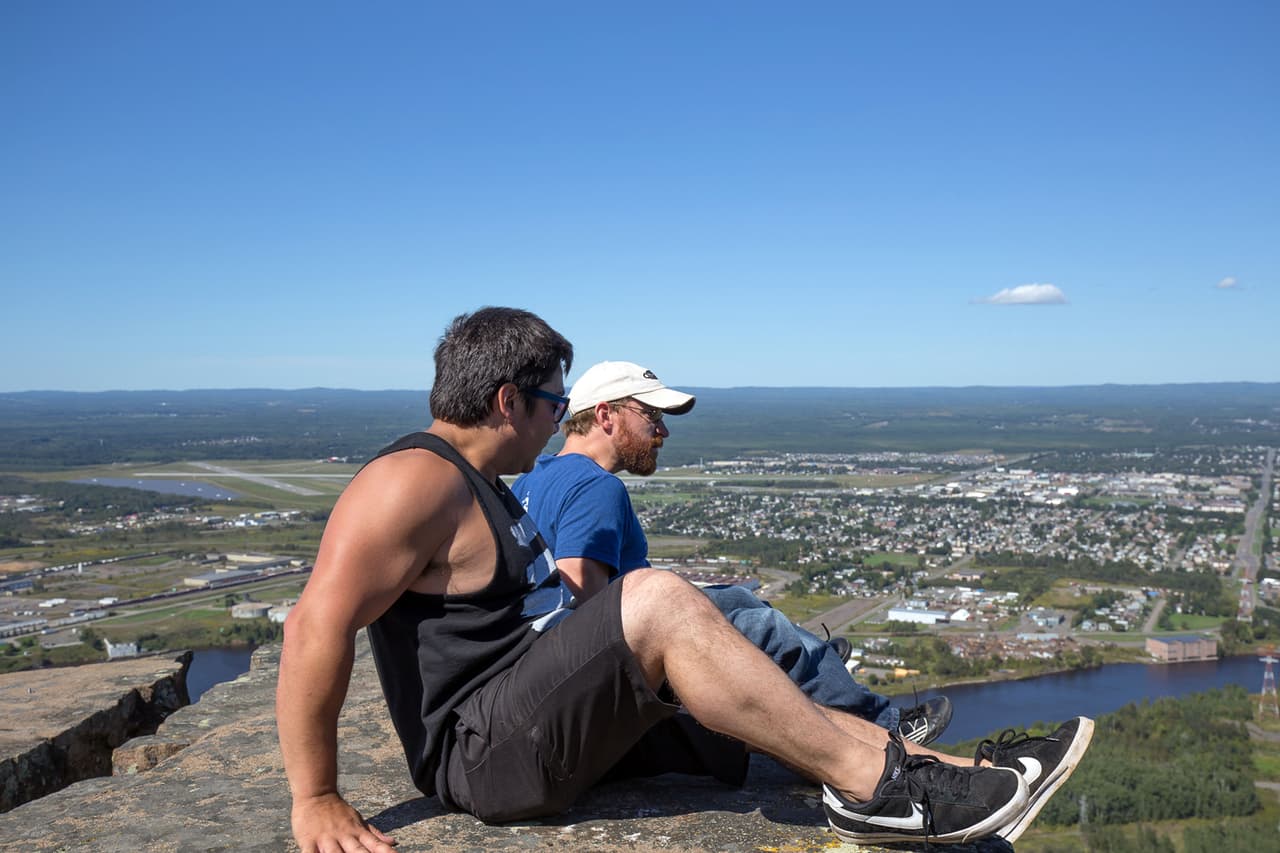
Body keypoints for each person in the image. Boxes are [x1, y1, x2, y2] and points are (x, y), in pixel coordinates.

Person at [277, 306, 1091, 852]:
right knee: (660, 598)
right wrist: (315, 795)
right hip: (485, 751)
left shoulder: (484, 481)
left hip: (529, 714)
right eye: (552, 401)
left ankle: (932, 772)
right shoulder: (413, 480)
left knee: (736, 665)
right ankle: (881, 790)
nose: (559, 416)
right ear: (506, 400)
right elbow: (315, 624)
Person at [511, 360, 951, 745]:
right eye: (652, 416)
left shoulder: (536, 475)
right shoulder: (596, 486)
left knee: (732, 597)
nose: (662, 431)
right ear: (605, 415)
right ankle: (884, 724)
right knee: (756, 623)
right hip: (605, 662)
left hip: (544, 659)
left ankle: (814, 663)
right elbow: (583, 601)